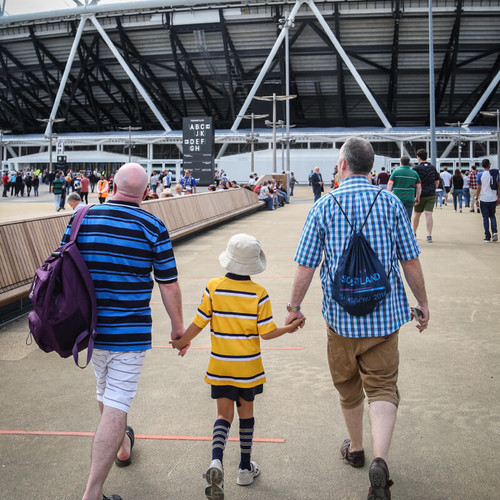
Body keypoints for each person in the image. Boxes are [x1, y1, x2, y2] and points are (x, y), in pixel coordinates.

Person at [285, 137, 429, 500]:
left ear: (343, 164)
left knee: (348, 388)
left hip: (341, 319)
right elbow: (409, 260)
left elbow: (306, 264)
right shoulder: (392, 202)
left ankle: (357, 450)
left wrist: (294, 307)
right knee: (382, 388)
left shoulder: (323, 206)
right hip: (385, 318)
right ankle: (380, 462)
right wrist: (422, 303)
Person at [60, 163, 185, 500]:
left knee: (106, 391)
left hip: (88, 330)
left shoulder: (81, 216)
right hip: (128, 333)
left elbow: (64, 264)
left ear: (111, 185)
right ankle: (93, 494)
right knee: (116, 401)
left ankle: (123, 447)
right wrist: (178, 329)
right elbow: (168, 284)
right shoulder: (153, 225)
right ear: (145, 193)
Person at [170, 233, 304, 500]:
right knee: (246, 417)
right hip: (248, 369)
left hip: (220, 366)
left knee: (223, 416)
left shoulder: (213, 287)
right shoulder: (259, 294)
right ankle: (244, 468)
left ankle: (216, 461)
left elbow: (199, 323)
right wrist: (288, 329)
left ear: (229, 260)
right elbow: (266, 333)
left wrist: (181, 342)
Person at [412, 149, 440, 243]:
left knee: (417, 214)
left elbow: (414, 182)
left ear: (418, 157)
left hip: (419, 195)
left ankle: (414, 233)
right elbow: (437, 181)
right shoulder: (432, 167)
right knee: (428, 214)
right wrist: (433, 189)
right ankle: (429, 235)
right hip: (431, 194)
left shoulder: (416, 168)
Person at [387, 155, 421, 221]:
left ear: (401, 162)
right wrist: (417, 197)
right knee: (407, 219)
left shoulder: (395, 172)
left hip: (397, 198)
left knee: (396, 218)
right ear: (408, 163)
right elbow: (419, 187)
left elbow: (390, 183)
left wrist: (389, 195)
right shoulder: (414, 173)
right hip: (409, 198)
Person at [476, 158, 500, 242]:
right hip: (493, 198)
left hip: (484, 198)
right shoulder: (495, 174)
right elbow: (498, 186)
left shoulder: (480, 174)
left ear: (482, 165)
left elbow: (479, 187)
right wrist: (498, 197)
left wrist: (476, 197)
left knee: (485, 217)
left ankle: (487, 236)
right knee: (492, 215)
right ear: (489, 164)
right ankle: (495, 232)